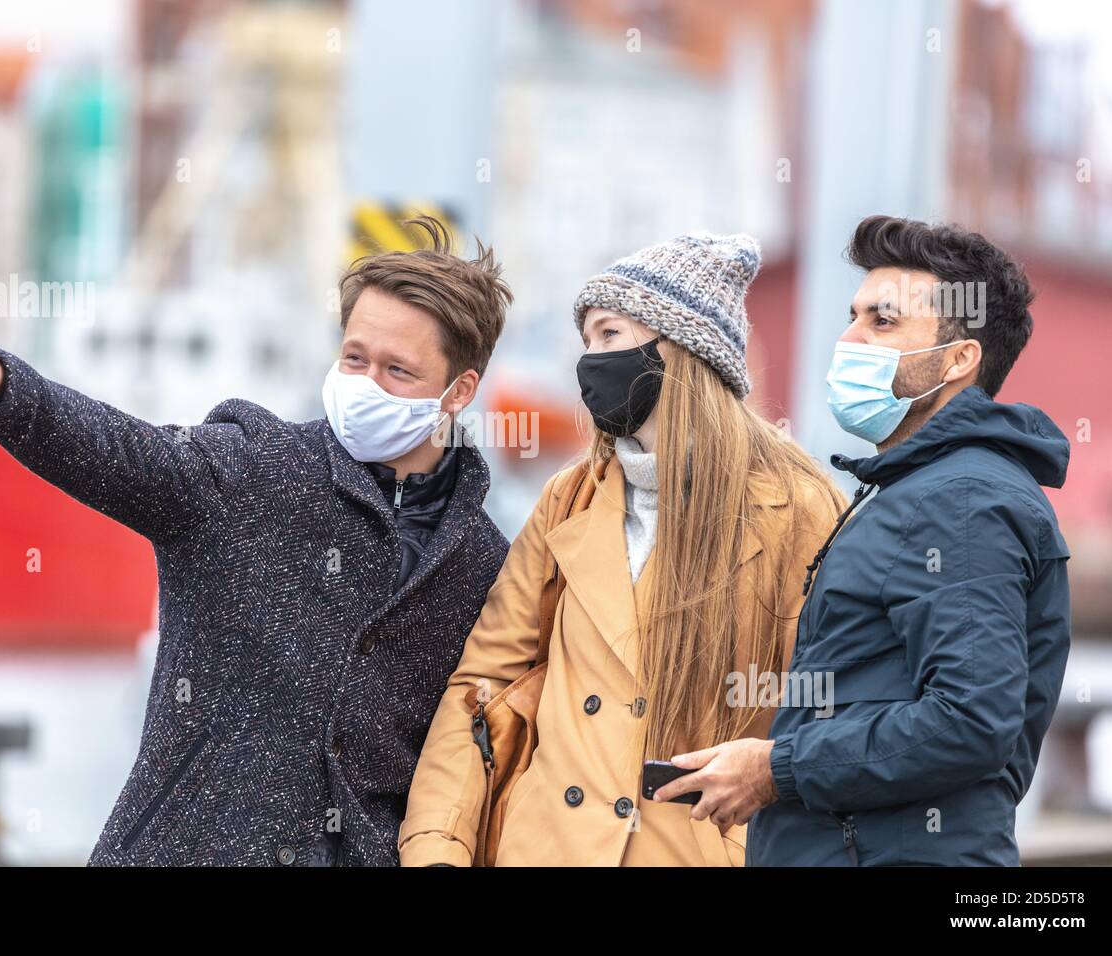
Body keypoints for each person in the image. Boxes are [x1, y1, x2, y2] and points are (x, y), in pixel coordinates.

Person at [0, 217, 514, 867]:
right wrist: (6, 389)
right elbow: (123, 453)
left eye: (397, 371)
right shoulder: (254, 467)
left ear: (459, 392)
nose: (364, 385)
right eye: (354, 358)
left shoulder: (482, 564)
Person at [399, 232, 842, 866]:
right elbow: (482, 683)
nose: (590, 363)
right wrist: (437, 848)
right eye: (585, 342)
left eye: (609, 335)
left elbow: (822, 701)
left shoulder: (795, 508)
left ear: (684, 351)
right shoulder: (569, 499)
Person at [655, 215, 1072, 866]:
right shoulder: (919, 488)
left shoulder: (960, 503)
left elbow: (971, 722)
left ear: (959, 359)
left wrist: (775, 769)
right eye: (853, 317)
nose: (847, 338)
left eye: (882, 322)